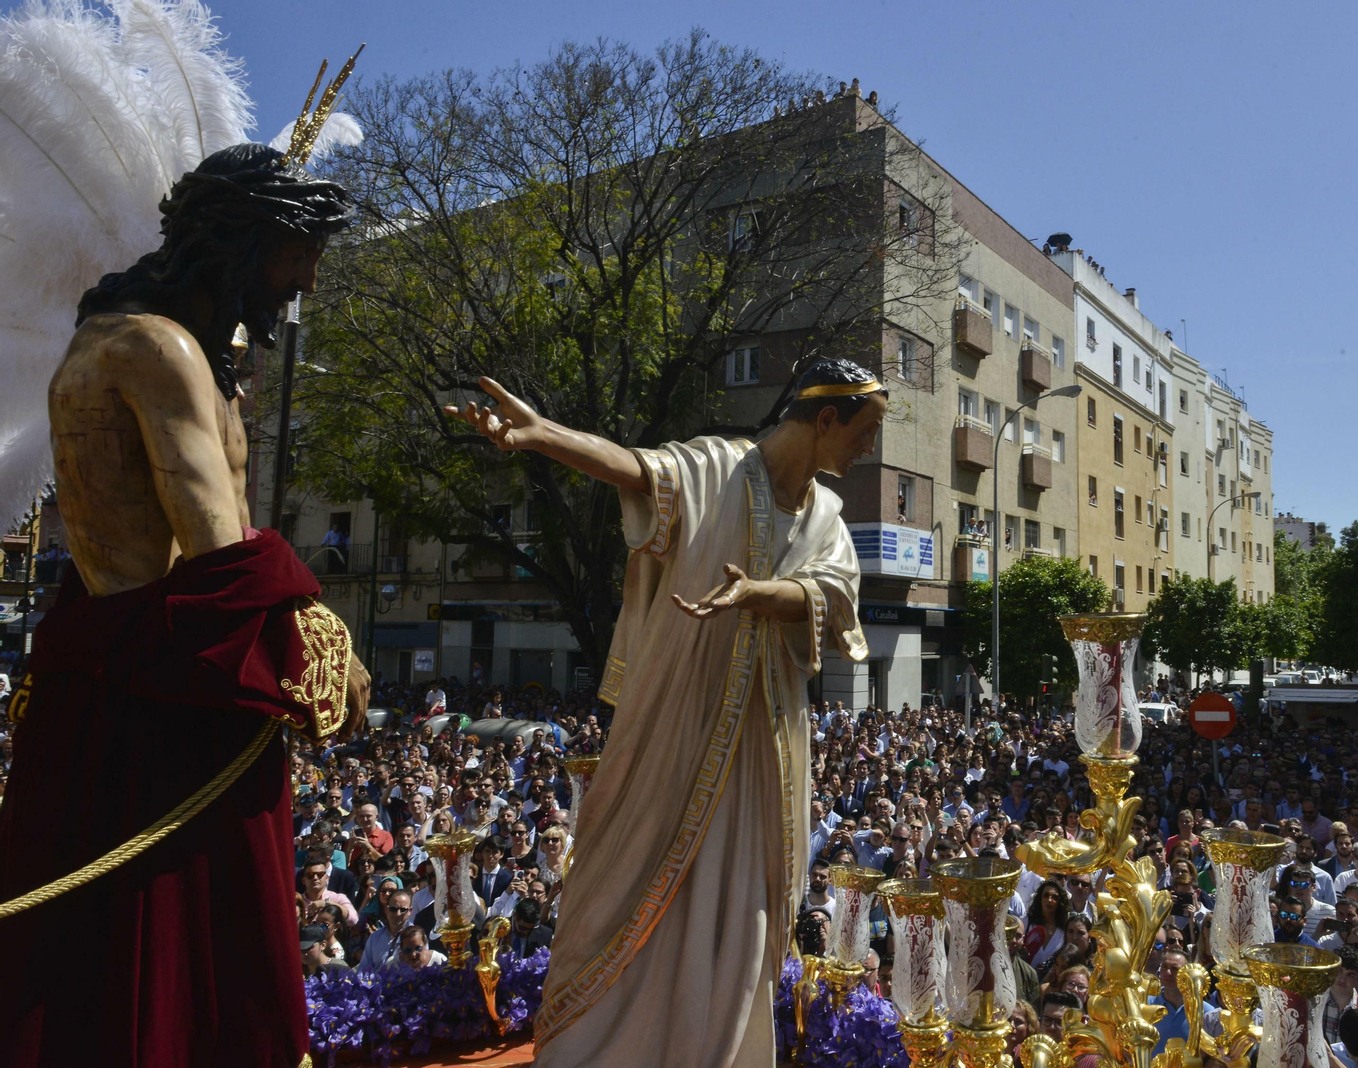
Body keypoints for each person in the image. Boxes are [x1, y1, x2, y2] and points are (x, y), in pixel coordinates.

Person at [0, 139, 366, 1066]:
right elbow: (218, 549)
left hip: (113, 674)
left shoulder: (144, 341)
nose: (308, 284)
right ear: (243, 243)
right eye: (300, 255)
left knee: (101, 955)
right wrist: (322, 643)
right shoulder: (156, 350)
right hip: (171, 692)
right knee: (182, 951)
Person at [448, 357, 881, 1066]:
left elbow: (834, 598)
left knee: (746, 903)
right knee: (625, 867)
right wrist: (543, 434)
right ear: (826, 418)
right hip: (677, 718)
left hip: (765, 748)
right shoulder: (720, 467)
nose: (870, 446)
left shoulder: (828, 517)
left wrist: (760, 596)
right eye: (866, 429)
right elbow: (635, 470)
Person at [360, 889, 415, 974]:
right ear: (387, 909)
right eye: (393, 909)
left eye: (403, 910)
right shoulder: (375, 938)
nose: (398, 914)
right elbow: (363, 970)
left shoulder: (417, 937)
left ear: (410, 911)